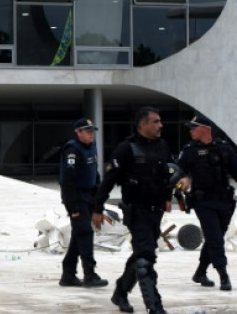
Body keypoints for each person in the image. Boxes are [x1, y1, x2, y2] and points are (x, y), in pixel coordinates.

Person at [93, 107, 176, 314]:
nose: (160, 125)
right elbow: (108, 181)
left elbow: (169, 173)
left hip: (156, 210)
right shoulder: (126, 149)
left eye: (160, 121)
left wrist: (169, 197)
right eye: (155, 122)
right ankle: (155, 307)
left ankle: (120, 292)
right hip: (136, 211)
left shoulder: (162, 146)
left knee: (142, 255)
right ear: (143, 125)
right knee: (145, 259)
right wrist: (97, 209)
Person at [177, 114, 237, 291]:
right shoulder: (190, 150)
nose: (190, 131)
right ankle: (223, 275)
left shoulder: (224, 148)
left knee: (214, 238)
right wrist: (183, 179)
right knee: (216, 238)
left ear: (205, 129)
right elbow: (179, 170)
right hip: (203, 201)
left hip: (225, 201)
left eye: (193, 127)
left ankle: (200, 272)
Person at [59, 118, 109, 288]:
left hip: (89, 195)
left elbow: (95, 173)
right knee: (85, 232)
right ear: (78, 132)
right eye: (87, 131)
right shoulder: (72, 150)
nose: (91, 134)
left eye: (92, 131)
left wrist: (98, 198)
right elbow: (67, 181)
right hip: (76, 197)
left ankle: (68, 275)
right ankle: (90, 274)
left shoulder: (91, 147)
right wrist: (72, 207)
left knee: (79, 235)